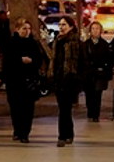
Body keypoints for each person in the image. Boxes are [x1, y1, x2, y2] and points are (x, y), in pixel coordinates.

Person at [0, 18, 42, 143]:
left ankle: (25, 133)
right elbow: (7, 63)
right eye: (24, 29)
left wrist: (32, 61)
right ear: (17, 29)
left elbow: (39, 61)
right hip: (14, 81)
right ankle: (17, 130)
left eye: (28, 29)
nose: (27, 31)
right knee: (16, 108)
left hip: (29, 81)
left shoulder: (33, 44)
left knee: (28, 109)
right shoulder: (11, 44)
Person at [49, 16, 87, 147]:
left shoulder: (76, 43)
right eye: (60, 25)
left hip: (70, 80)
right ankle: (68, 133)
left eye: (64, 25)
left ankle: (63, 136)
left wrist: (79, 79)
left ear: (71, 26)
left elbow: (83, 63)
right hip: (59, 79)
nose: (61, 27)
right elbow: (54, 60)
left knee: (65, 109)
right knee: (64, 109)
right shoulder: (57, 42)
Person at [84, 22, 113, 122]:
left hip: (100, 74)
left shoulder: (104, 45)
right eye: (93, 28)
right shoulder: (86, 44)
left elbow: (109, 59)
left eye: (97, 28)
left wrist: (106, 70)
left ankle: (96, 114)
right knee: (89, 95)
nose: (95, 31)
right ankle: (90, 113)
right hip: (88, 74)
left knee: (97, 94)